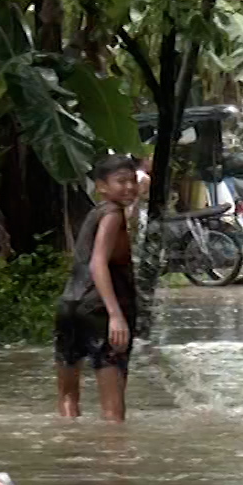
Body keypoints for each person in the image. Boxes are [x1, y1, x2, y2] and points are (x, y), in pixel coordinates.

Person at [55, 155, 142, 421]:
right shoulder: (113, 215)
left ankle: (72, 450)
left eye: (132, 181)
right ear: (101, 186)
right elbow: (98, 263)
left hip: (70, 306)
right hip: (99, 309)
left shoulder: (97, 212)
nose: (128, 187)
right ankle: (112, 460)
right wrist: (115, 314)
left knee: (68, 397)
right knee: (113, 411)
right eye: (120, 181)